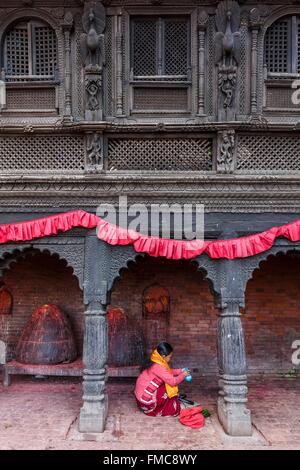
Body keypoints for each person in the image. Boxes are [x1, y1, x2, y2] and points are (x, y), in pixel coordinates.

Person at [134, 342, 190, 417]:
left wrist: (181, 370)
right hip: (146, 402)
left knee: (166, 385)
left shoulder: (155, 359)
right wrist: (183, 375)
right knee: (168, 388)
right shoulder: (158, 366)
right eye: (169, 357)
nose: (170, 359)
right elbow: (173, 382)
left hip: (140, 397)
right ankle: (167, 408)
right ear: (163, 356)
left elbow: (168, 372)